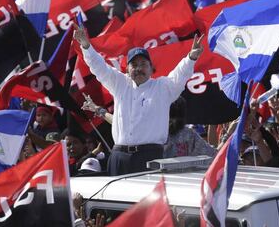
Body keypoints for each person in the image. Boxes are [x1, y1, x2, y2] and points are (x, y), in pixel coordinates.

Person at [73, 23, 204, 175]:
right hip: (119, 156)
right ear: (127, 69)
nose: (139, 68)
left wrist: (191, 57)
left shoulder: (162, 87)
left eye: (143, 64)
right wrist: (86, 45)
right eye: (134, 65)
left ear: (151, 67)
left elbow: (179, 75)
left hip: (149, 156)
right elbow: (99, 67)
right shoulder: (120, 84)